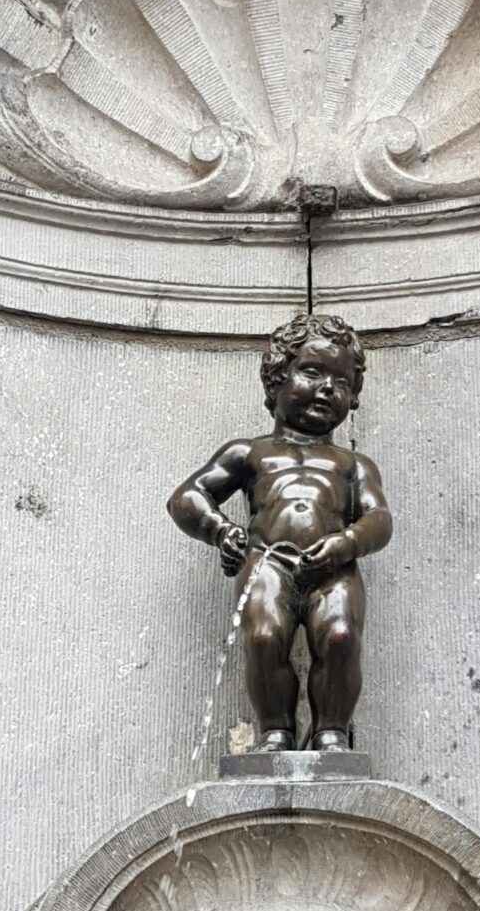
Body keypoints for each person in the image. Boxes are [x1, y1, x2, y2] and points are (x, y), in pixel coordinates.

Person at [167, 313, 392, 752]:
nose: (328, 387)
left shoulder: (354, 465)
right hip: (267, 560)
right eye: (312, 371)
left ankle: (331, 731)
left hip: (334, 565)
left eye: (342, 381)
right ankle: (276, 730)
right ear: (277, 378)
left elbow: (378, 519)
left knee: (342, 637)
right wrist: (219, 531)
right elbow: (187, 497)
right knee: (264, 637)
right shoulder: (251, 452)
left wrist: (347, 542)